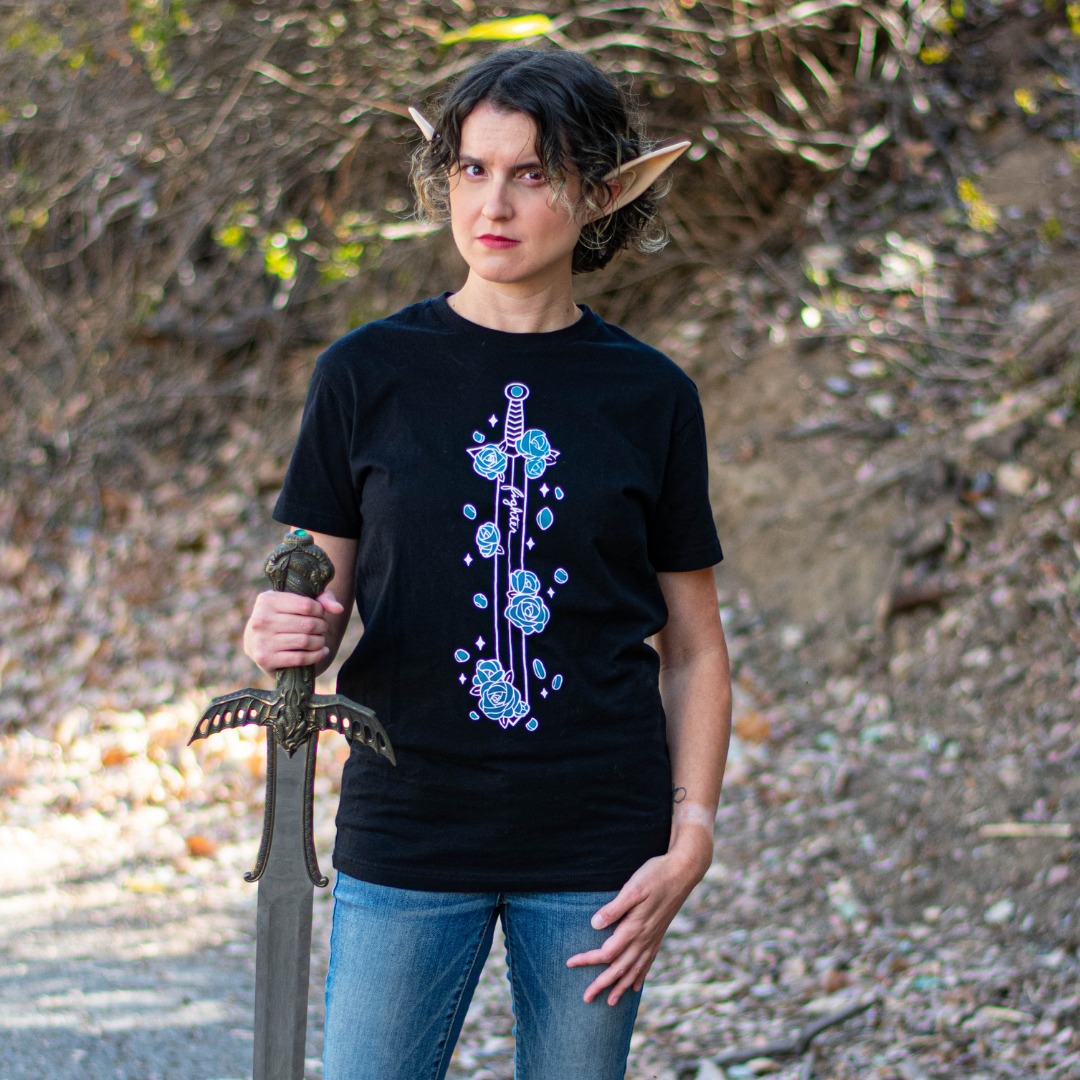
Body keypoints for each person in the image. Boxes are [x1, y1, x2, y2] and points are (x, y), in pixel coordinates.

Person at [243, 46, 732, 1080]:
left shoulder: (649, 397)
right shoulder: (365, 374)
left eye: (532, 172)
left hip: (599, 841)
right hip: (409, 816)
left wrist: (689, 838)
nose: (493, 203)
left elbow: (691, 646)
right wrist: (275, 626)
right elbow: (303, 577)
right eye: (472, 169)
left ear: (597, 195)